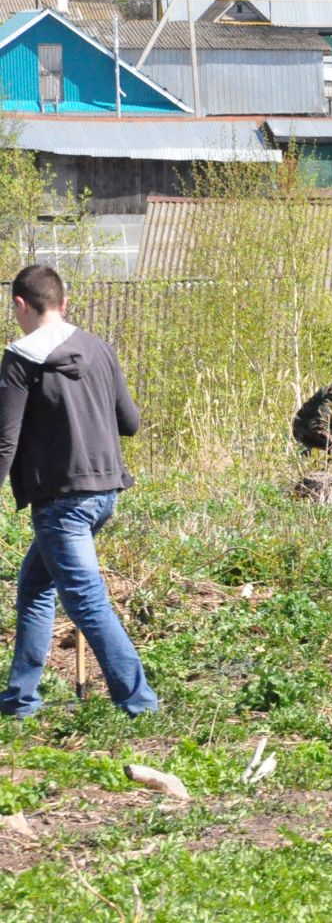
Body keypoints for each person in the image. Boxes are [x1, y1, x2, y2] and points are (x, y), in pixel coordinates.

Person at [0, 265, 158, 716]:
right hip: (105, 492)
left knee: (86, 603)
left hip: (62, 501)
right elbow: (130, 423)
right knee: (34, 587)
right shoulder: (98, 348)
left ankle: (140, 703)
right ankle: (20, 698)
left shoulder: (20, 358)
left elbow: (5, 439)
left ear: (20, 305)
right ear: (64, 303)